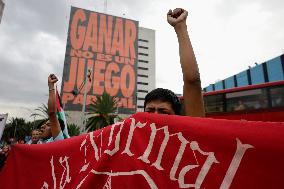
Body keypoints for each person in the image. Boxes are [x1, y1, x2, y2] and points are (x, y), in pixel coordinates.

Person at [144, 8, 205, 117]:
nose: (155, 115)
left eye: (163, 111)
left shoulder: (185, 132)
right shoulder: (134, 132)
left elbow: (192, 81)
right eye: (150, 110)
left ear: (176, 115)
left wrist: (180, 26)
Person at [40, 74, 65, 143]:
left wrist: (51, 86)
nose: (42, 126)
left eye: (48, 125)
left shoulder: (58, 141)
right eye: (45, 124)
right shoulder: (38, 142)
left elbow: (52, 114)